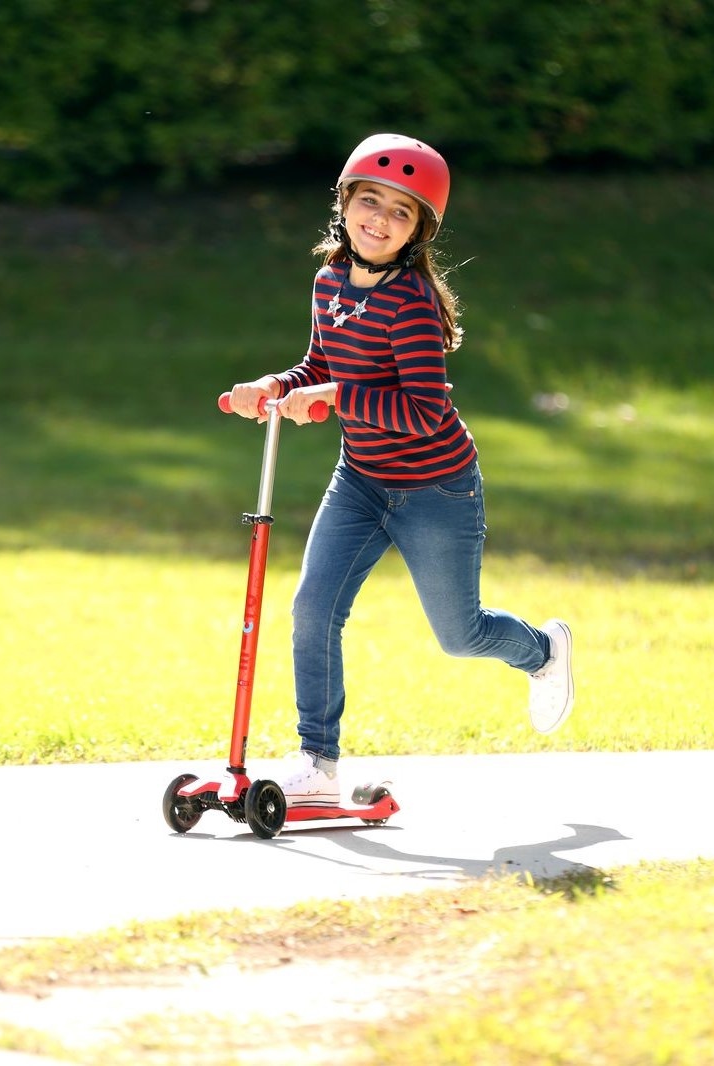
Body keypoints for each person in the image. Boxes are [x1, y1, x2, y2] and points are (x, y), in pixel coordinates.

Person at [228, 132, 573, 807]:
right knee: (312, 610)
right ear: (344, 203)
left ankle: (542, 651)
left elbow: (422, 410)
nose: (379, 219)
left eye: (399, 211)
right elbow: (321, 367)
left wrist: (332, 398)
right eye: (369, 200)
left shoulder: (409, 302)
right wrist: (272, 384)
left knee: (459, 633)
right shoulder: (329, 281)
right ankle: (318, 764)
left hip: (435, 488)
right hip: (358, 480)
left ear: (418, 231)